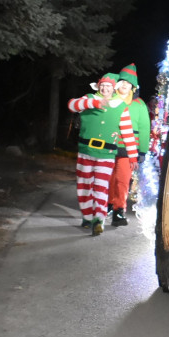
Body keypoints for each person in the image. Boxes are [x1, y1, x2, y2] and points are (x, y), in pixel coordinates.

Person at [67, 73, 124, 235]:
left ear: (114, 88)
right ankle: (87, 216)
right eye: (103, 85)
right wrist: (94, 102)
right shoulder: (88, 99)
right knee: (84, 185)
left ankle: (99, 219)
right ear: (98, 86)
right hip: (86, 151)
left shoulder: (120, 105)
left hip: (107, 153)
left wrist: (133, 154)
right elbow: (71, 105)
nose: (105, 88)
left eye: (109, 86)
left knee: (101, 186)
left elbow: (126, 130)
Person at [108, 63, 151, 227]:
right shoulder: (110, 101)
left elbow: (144, 128)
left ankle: (119, 211)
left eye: (128, 83)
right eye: (122, 82)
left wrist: (142, 151)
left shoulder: (139, 105)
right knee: (108, 179)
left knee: (122, 181)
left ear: (133, 86)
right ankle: (107, 205)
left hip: (128, 150)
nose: (125, 85)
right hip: (109, 147)